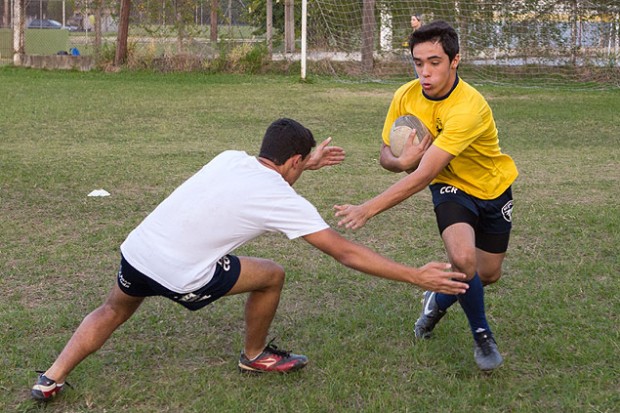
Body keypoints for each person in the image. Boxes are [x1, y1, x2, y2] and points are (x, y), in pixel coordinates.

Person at [31, 118, 468, 402]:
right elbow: (344, 251)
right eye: (301, 164)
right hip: (182, 273)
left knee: (113, 309)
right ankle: (255, 354)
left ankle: (50, 377)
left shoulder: (230, 159)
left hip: (139, 251)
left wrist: (303, 166)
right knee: (271, 275)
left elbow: (270, 172)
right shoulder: (280, 197)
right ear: (294, 161)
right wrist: (414, 274)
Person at [334, 21, 518, 372]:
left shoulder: (469, 107)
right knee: (464, 262)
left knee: (486, 273)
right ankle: (482, 335)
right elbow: (387, 155)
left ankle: (437, 299)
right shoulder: (405, 95)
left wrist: (367, 209)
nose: (425, 72)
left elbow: (422, 174)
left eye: (434, 62)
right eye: (419, 63)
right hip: (451, 189)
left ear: (455, 60)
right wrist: (400, 159)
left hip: (492, 188)